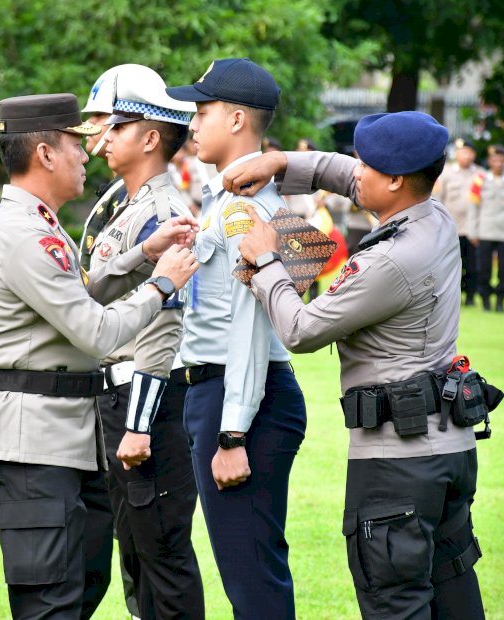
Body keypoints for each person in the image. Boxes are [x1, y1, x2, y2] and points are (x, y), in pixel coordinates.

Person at [223, 111, 487, 619]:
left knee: (395, 603)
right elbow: (345, 176)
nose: (355, 170)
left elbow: (301, 330)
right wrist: (282, 162)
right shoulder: (433, 216)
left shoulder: (388, 261)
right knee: (454, 594)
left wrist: (265, 261)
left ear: (395, 180)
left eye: (367, 164)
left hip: (397, 464)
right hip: (447, 447)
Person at [0, 93, 198, 620]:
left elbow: (82, 295)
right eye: (76, 141)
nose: (88, 150)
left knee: (76, 593)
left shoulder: (42, 226)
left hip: (63, 440)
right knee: (50, 602)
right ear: (46, 153)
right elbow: (94, 330)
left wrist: (143, 253)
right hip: (31, 442)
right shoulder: (25, 233)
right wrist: (161, 284)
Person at [165, 58, 307, 619]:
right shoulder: (226, 199)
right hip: (229, 392)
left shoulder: (246, 208)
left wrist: (231, 433)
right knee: (248, 571)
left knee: (252, 581)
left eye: (202, 111)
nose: (193, 123)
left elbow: (250, 324)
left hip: (242, 398)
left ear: (239, 119)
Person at [81, 63, 205, 620]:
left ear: (151, 137)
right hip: (119, 399)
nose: (101, 140)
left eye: (116, 127)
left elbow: (164, 327)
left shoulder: (162, 211)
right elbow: (92, 289)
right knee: (135, 556)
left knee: (162, 558)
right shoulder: (128, 209)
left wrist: (137, 423)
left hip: (146, 405)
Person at [468, 145, 504, 312]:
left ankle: (500, 300)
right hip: (485, 230)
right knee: (484, 268)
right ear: (489, 162)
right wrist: (473, 230)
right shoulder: (480, 179)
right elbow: (473, 208)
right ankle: (485, 299)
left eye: (501, 161)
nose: (498, 164)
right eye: (494, 160)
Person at [433, 138, 484, 306]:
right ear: (456, 153)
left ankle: (470, 296)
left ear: (474, 155)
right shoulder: (446, 173)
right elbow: (438, 199)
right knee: (451, 265)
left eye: (469, 153)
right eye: (463, 152)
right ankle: (453, 297)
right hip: (451, 227)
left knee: (473, 265)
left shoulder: (480, 174)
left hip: (472, 228)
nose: (466, 156)